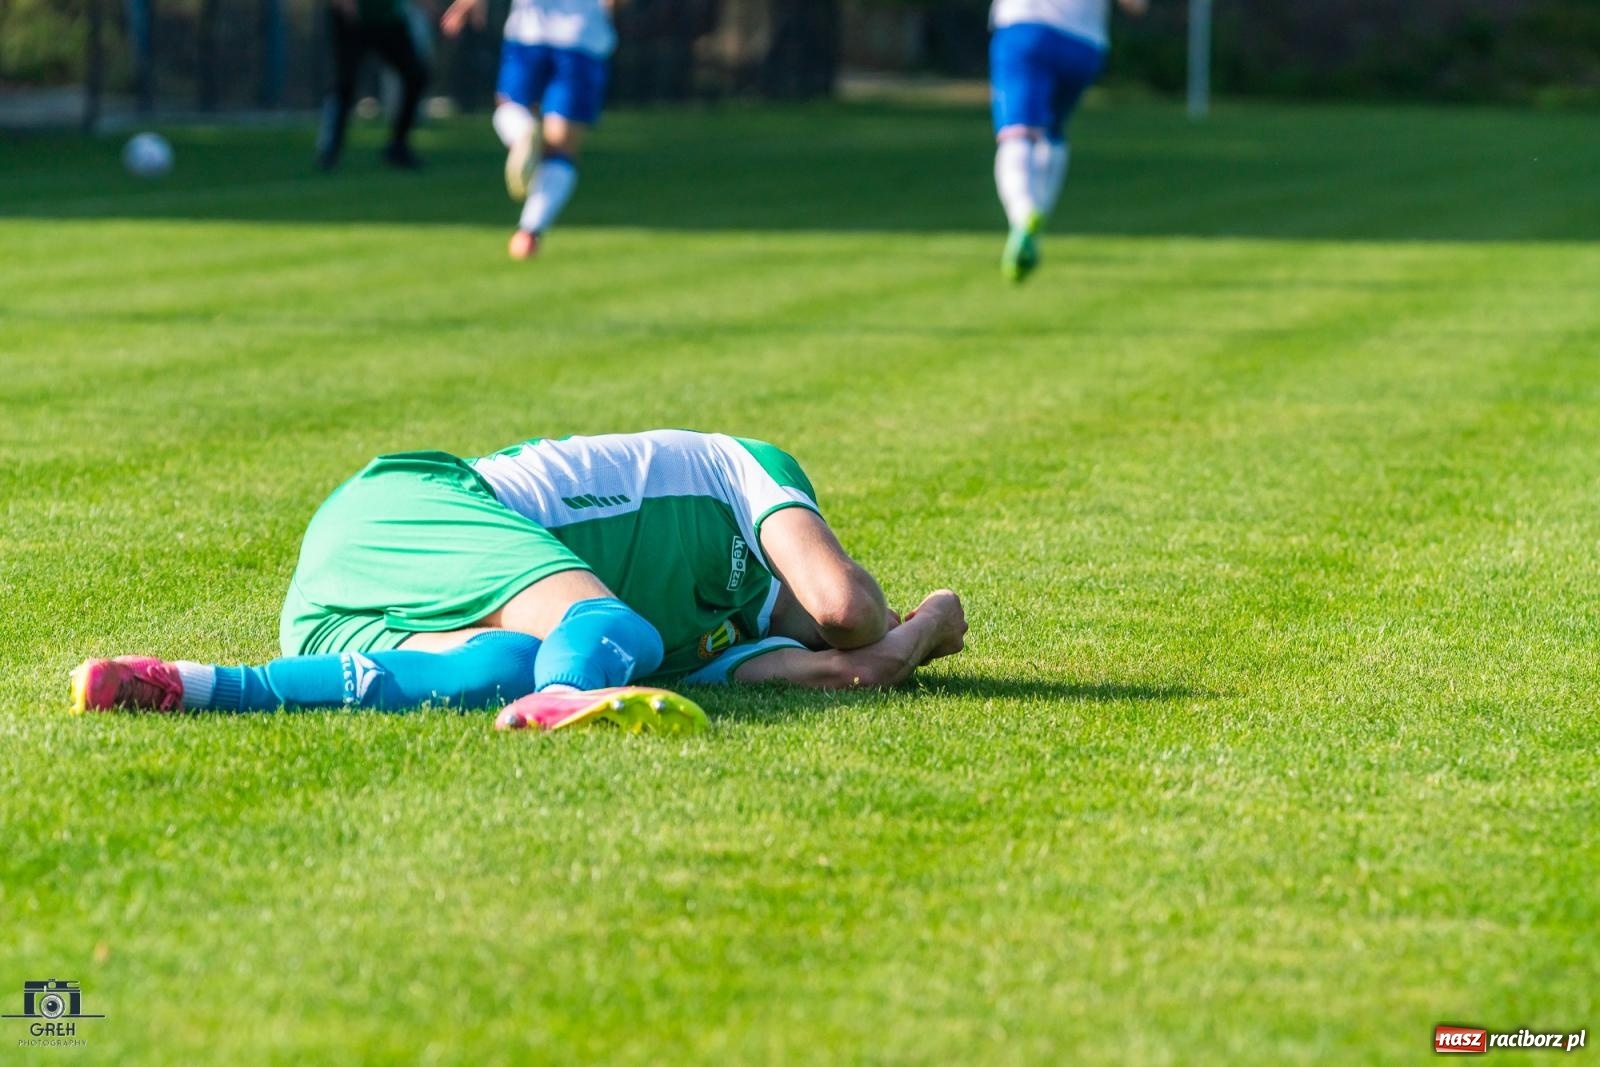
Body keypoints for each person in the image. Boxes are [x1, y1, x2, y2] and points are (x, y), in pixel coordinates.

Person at [71, 431, 968, 733]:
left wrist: (928, 628)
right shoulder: (745, 471)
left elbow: (860, 668)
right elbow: (850, 617)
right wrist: (903, 615)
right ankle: (567, 701)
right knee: (607, 634)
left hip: (335, 614)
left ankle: (175, 685)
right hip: (402, 506)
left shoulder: (720, 642)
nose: (809, 627)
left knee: (496, 670)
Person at [440, 0, 616, 260]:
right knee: (561, 145)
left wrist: (464, 5)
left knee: (509, 107)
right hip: (581, 37)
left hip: (528, 34)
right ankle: (529, 232)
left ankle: (521, 132)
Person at [989, 0, 1147, 282]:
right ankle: (1037, 222)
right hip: (1083, 45)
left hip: (1026, 27)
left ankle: (1023, 214)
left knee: (1018, 133)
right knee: (1052, 132)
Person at [316, 0, 432, 171]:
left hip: (387, 19)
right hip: (353, 19)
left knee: (416, 75)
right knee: (345, 84)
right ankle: (330, 148)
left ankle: (398, 146)